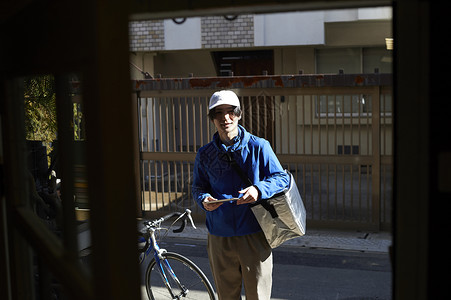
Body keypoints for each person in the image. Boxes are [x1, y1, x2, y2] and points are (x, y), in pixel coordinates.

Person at [192, 90, 290, 300]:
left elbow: (282, 179)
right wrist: (203, 200)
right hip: (219, 236)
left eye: (230, 112)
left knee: (258, 295)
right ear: (212, 118)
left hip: (254, 233)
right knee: (226, 296)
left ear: (239, 114)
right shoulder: (205, 154)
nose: (225, 118)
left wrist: (258, 189)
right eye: (218, 113)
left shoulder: (259, 146)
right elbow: (198, 187)